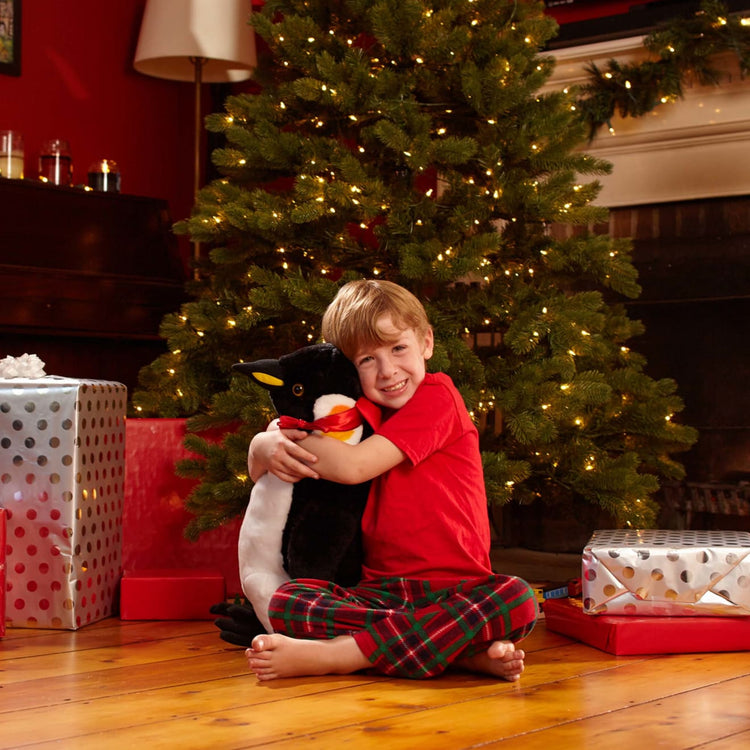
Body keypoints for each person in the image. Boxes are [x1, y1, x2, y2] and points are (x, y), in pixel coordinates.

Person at [245, 279, 538, 681]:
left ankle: (342, 656)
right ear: (351, 368)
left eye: (398, 348)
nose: (387, 371)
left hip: (458, 589)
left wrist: (280, 436)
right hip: (380, 594)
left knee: (517, 599)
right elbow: (270, 464)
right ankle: (458, 652)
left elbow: (352, 467)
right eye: (367, 359)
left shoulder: (437, 398)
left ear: (426, 343)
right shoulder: (356, 412)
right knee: (288, 602)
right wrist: (261, 446)